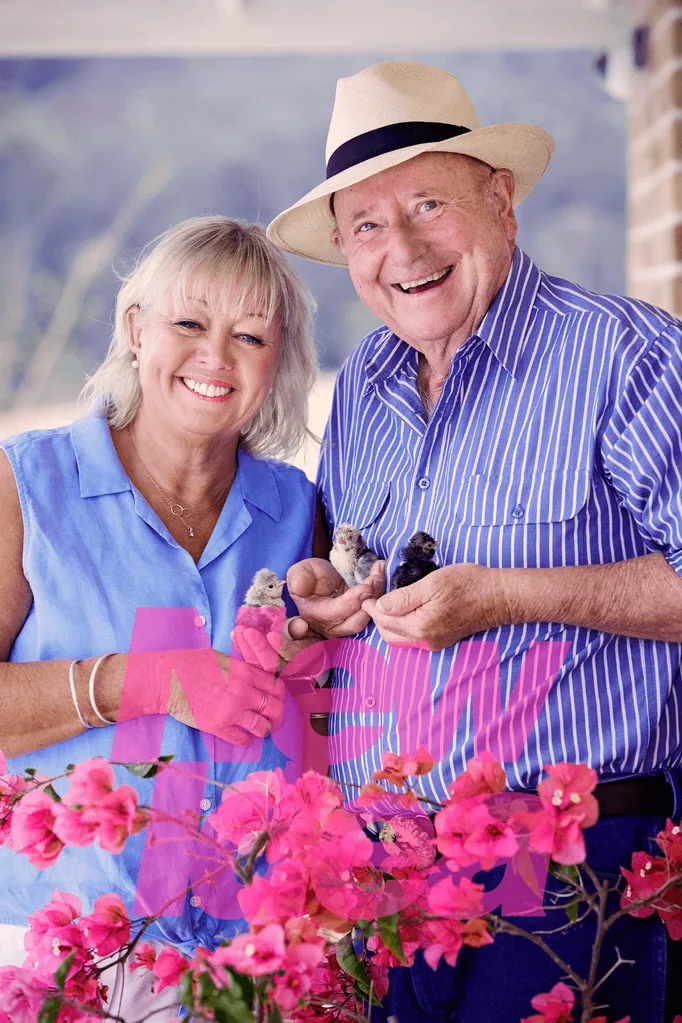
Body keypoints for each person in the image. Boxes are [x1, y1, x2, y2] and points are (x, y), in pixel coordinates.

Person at [268, 62, 682, 1022]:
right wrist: (332, 589)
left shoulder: (627, 355)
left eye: (428, 203)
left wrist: (507, 593)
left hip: (574, 870)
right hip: (393, 876)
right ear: (342, 247)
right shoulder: (365, 381)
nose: (402, 247)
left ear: (500, 201)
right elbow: (362, 566)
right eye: (367, 224)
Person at [0, 215, 318, 1019]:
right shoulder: (27, 484)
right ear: (136, 329)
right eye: (188, 322)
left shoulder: (297, 511)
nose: (216, 356)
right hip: (62, 954)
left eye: (250, 334)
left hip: (249, 968)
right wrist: (150, 680)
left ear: (276, 360)